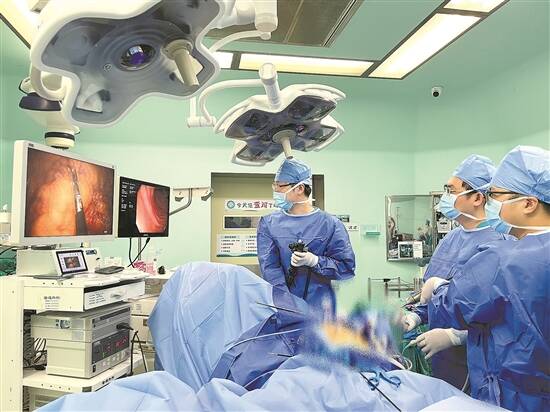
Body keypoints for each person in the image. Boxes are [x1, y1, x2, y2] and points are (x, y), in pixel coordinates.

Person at [421, 146, 550, 411]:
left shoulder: (504, 258)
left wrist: (437, 288)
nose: (490, 202)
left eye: (495, 195)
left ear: (529, 203)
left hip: (517, 397)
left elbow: (454, 306)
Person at [401, 154, 509, 389]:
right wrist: (414, 317)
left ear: (478, 197)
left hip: (478, 365)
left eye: (451, 190)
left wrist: (455, 336)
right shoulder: (451, 239)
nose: (446, 197)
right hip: (442, 361)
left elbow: (504, 317)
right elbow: (432, 296)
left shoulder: (499, 244)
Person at [257, 158, 356, 314]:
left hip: (321, 309)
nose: (275, 190)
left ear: (300, 188)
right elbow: (270, 269)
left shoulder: (330, 224)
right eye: (274, 185)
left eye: (280, 186)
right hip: (285, 309)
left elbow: (346, 267)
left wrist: (315, 261)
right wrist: (287, 305)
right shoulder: (269, 224)